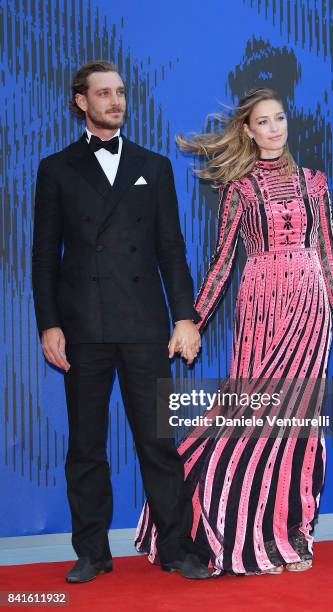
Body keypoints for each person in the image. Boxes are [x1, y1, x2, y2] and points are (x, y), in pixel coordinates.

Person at [135, 88, 333, 575]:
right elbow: (221, 265)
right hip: (260, 307)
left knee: (298, 425)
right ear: (248, 130)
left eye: (279, 118)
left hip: (309, 309)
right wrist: (191, 321)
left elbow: (328, 255)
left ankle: (290, 535)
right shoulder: (238, 190)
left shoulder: (315, 183)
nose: (274, 128)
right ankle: (228, 527)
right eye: (263, 121)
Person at [31, 60, 210, 582]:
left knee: (157, 441)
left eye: (121, 92)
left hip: (144, 324)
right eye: (104, 93)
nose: (116, 100)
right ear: (81, 101)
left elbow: (171, 250)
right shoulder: (56, 169)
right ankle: (91, 551)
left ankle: (176, 548)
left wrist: (186, 316)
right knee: (85, 444)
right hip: (83, 325)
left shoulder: (152, 167)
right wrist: (49, 322)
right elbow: (44, 256)